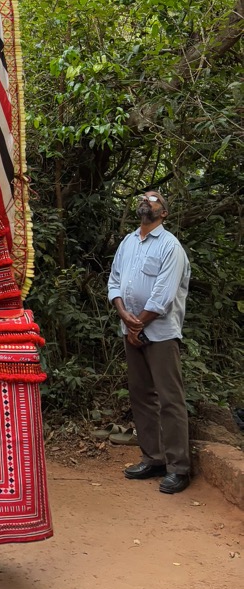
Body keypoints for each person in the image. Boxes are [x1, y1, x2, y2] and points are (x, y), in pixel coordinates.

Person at [108, 190, 191, 494]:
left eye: (154, 199)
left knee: (170, 399)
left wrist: (137, 324)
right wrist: (124, 316)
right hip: (132, 330)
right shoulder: (129, 242)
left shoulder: (171, 247)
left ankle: (178, 468)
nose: (147, 200)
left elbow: (164, 296)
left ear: (164, 213)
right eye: (143, 197)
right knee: (141, 396)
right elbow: (114, 281)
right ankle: (153, 458)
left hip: (160, 334)